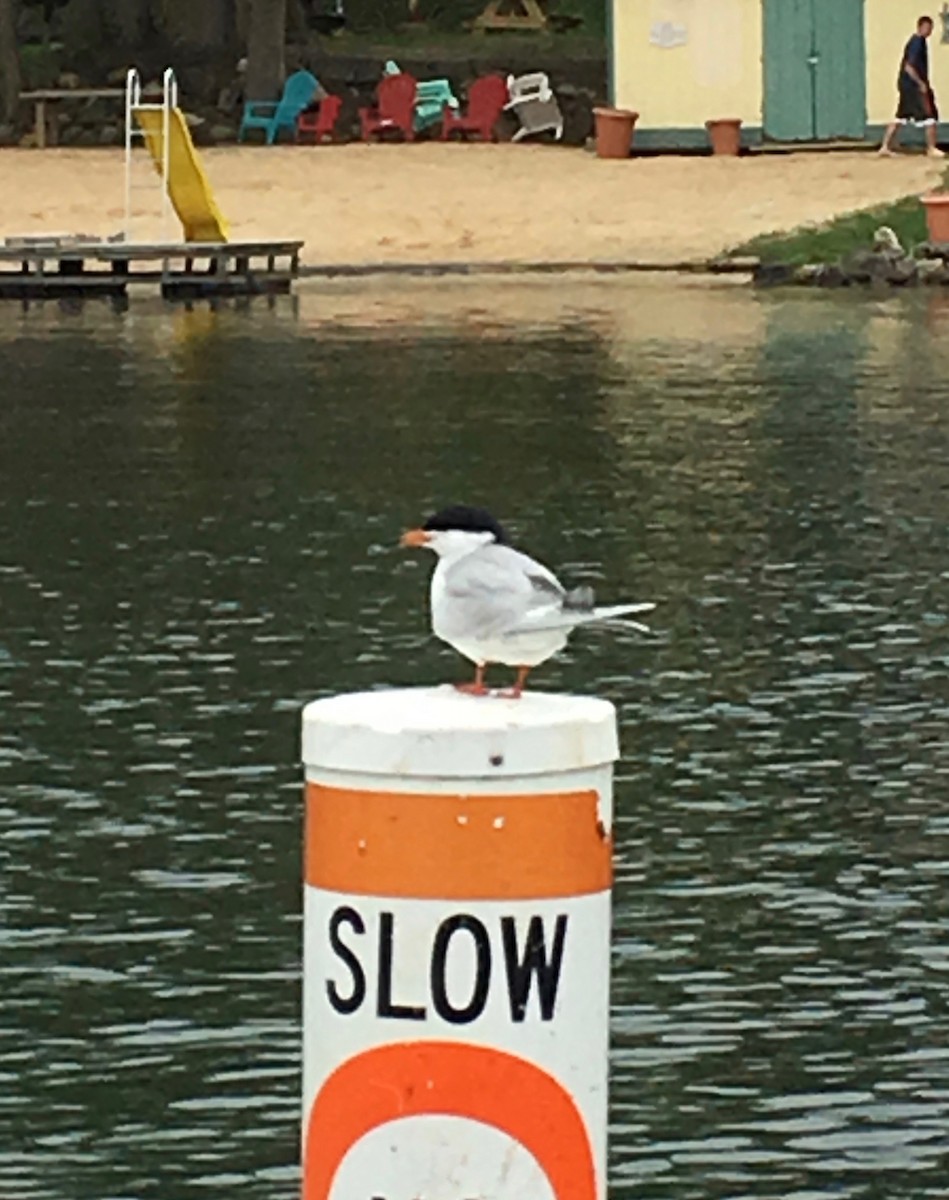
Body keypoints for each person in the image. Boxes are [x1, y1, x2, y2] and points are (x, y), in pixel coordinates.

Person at [880, 15, 945, 158]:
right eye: (928, 28)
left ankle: (885, 146)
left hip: (906, 86)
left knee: (900, 116)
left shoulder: (917, 42)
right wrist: (921, 83)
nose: (930, 31)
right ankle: (931, 148)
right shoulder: (917, 43)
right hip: (913, 86)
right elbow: (909, 66)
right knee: (930, 115)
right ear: (921, 27)